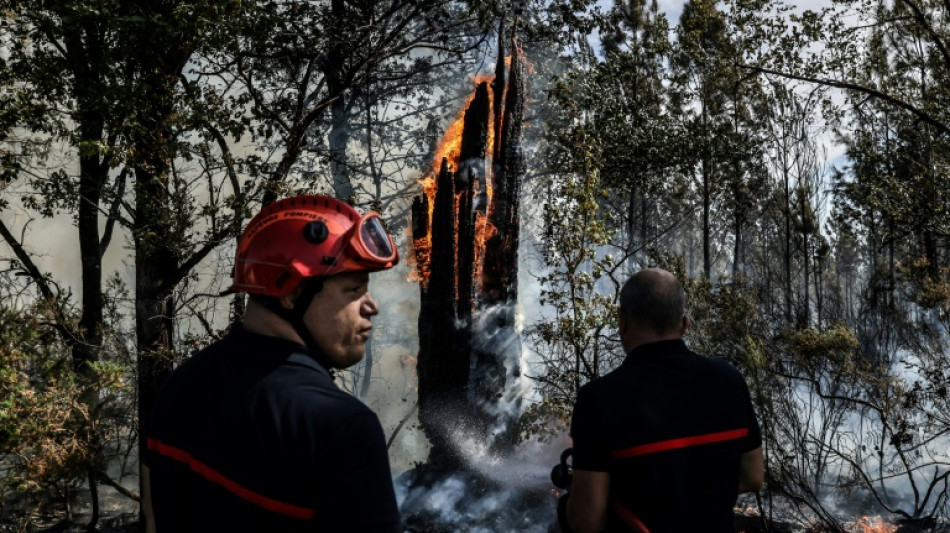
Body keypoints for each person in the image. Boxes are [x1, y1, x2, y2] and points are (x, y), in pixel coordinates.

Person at [142, 195, 401, 532]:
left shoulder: (179, 387)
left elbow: (152, 519)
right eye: (354, 289)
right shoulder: (343, 427)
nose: (372, 306)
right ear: (292, 293)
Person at [565, 268, 764, 533]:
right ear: (684, 323)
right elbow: (753, 476)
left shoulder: (599, 399)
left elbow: (586, 522)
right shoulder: (729, 380)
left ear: (622, 321)